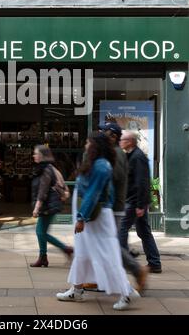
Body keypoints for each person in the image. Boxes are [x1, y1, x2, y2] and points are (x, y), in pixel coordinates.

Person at [56, 133, 140, 311]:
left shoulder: (101, 165)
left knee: (107, 254)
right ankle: (76, 290)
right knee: (83, 253)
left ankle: (126, 293)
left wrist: (81, 217)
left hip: (97, 217)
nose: (85, 144)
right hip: (92, 215)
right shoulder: (96, 162)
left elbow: (93, 193)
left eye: (88, 142)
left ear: (95, 145)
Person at [99, 123, 149, 291]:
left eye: (103, 132)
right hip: (115, 205)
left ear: (112, 136)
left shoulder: (118, 154)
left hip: (115, 206)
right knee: (105, 243)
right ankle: (98, 278)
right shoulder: (117, 153)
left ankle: (136, 270)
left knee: (110, 243)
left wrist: (140, 204)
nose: (100, 134)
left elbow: (118, 178)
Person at [119, 130, 162, 273]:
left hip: (134, 201)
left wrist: (140, 205)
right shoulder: (132, 156)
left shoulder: (137, 157)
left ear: (130, 141)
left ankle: (126, 261)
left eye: (123, 140)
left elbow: (142, 182)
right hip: (136, 201)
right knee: (144, 231)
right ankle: (154, 263)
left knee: (122, 229)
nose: (120, 142)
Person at [30, 145, 73, 267]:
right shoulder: (44, 168)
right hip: (48, 205)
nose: (34, 156)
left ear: (42, 156)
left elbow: (43, 191)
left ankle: (66, 249)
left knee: (41, 232)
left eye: (36, 153)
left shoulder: (46, 170)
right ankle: (43, 258)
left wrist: (36, 208)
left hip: (48, 205)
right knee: (41, 231)